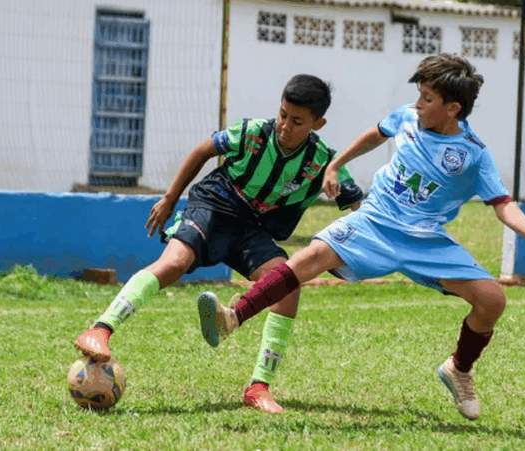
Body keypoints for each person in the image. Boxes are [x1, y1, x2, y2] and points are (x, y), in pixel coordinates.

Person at [197, 53, 525, 420]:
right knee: (308, 258)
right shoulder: (406, 116)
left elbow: (502, 203)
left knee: (492, 300)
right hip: (373, 222)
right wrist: (336, 164)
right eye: (419, 95)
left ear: (453, 108)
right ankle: (232, 318)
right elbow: (376, 134)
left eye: (427, 99)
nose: (417, 104)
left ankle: (458, 369)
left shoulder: (473, 155)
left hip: (424, 239)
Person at [74, 74, 364, 411]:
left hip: (252, 229)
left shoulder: (323, 162)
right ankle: (100, 330)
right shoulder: (253, 132)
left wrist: (358, 248)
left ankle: (259, 387)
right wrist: (170, 199)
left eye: (297, 121)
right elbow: (202, 151)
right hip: (213, 206)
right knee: (174, 263)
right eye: (283, 114)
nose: (285, 126)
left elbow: (359, 208)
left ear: (318, 123)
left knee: (287, 285)